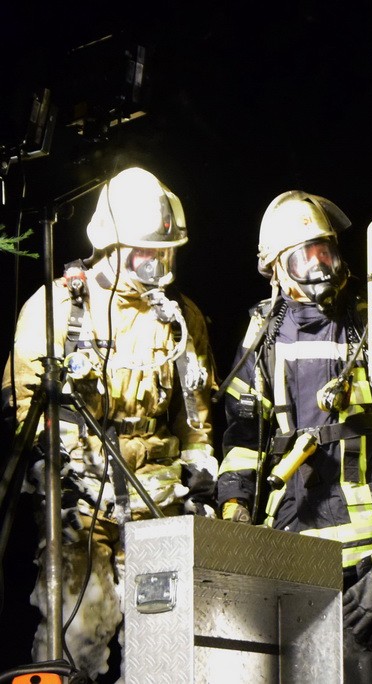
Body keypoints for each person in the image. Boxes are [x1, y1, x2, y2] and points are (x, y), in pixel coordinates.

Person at [0, 166, 219, 682]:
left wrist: (201, 468)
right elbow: (22, 397)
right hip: (82, 505)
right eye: (143, 251)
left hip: (158, 506)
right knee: (78, 637)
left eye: (163, 252)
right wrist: (54, 463)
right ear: (111, 245)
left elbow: (196, 414)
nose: (155, 263)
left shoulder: (181, 317)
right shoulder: (59, 306)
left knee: (164, 648)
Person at [214, 190, 372, 683]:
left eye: (327, 251)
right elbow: (243, 436)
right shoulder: (263, 337)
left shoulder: (371, 324)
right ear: (276, 269)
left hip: (367, 556)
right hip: (288, 550)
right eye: (304, 256)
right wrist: (234, 507)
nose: (320, 266)